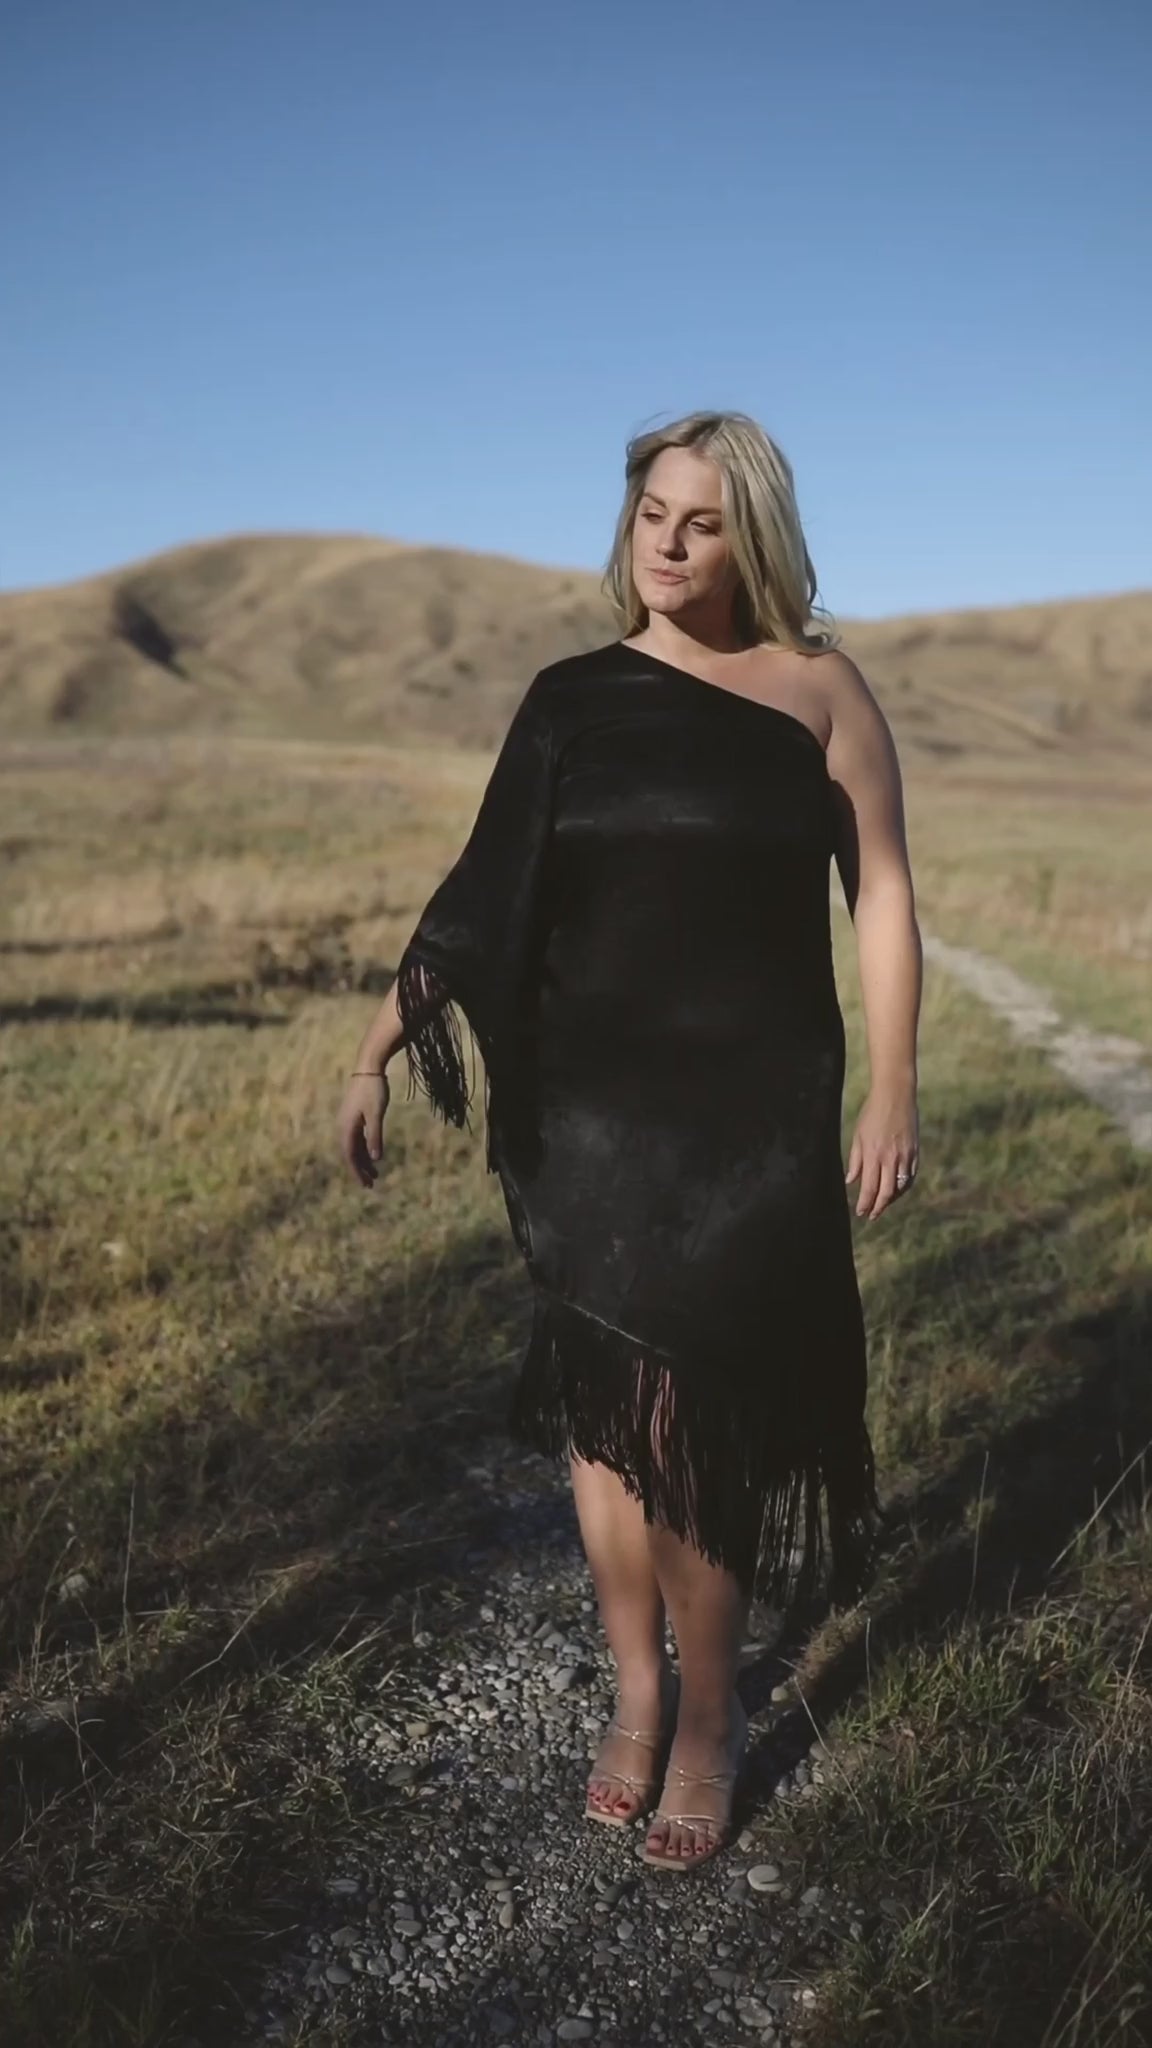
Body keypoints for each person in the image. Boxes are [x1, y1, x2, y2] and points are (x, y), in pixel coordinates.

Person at [338, 409, 922, 1873]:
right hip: (586, 1115)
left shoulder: (820, 693)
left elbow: (885, 895)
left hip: (749, 1123)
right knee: (608, 1420)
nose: (667, 542)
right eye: (652, 512)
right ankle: (639, 1688)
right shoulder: (572, 700)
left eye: (701, 521)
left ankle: (710, 1717)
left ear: (753, 537)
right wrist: (376, 1049)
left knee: (694, 1422)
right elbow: (483, 891)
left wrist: (894, 1085)